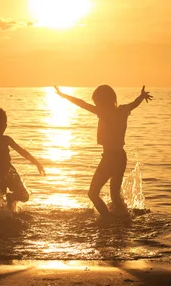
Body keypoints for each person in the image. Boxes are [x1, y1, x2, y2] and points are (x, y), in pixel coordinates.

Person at [54, 85, 152, 216]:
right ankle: (124, 220)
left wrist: (63, 95)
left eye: (97, 102)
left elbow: (82, 104)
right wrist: (142, 96)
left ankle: (107, 219)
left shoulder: (104, 113)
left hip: (110, 158)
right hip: (121, 157)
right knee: (115, 197)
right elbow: (135, 103)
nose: (96, 105)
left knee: (92, 194)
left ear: (102, 101)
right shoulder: (123, 110)